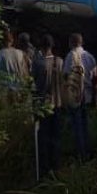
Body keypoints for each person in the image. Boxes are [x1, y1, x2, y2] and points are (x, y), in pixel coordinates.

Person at [30, 34, 63, 175]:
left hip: (43, 104)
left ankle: (44, 168)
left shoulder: (37, 63)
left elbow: (33, 83)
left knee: (43, 137)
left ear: (41, 47)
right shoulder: (59, 61)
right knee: (55, 136)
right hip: (58, 103)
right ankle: (56, 166)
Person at [63, 33, 97, 160]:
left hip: (75, 96)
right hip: (87, 95)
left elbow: (66, 75)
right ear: (81, 42)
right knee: (85, 125)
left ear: (71, 42)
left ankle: (80, 154)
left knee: (76, 126)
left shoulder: (71, 56)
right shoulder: (90, 57)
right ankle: (88, 151)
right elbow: (94, 76)